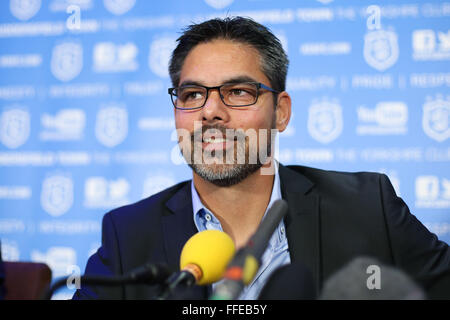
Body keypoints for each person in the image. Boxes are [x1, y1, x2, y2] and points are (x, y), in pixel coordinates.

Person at [73, 16, 450, 300]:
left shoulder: (368, 206)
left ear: (281, 112)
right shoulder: (129, 235)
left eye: (237, 92)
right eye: (192, 95)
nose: (211, 111)